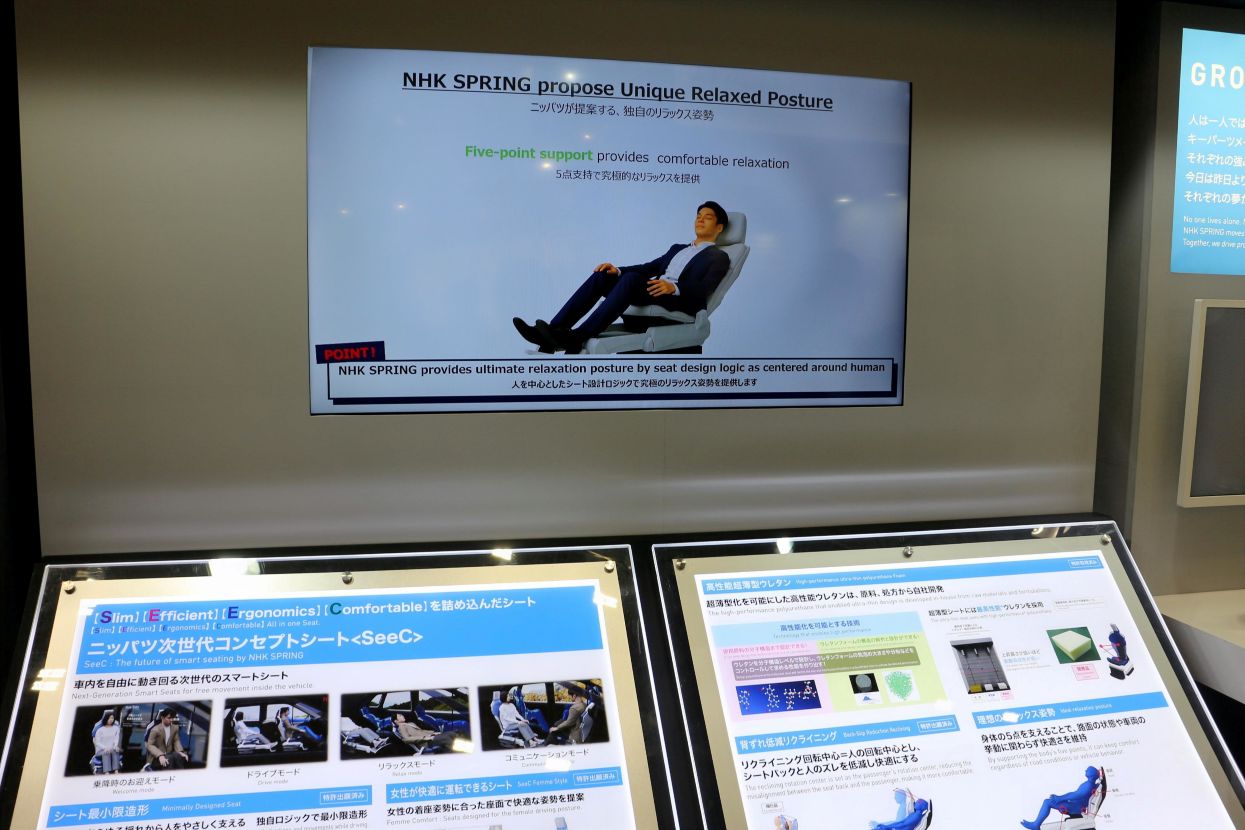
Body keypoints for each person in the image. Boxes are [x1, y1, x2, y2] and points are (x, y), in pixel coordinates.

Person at [513, 202, 731, 354]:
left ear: (719, 227)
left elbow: (705, 288)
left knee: (632, 279)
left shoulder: (719, 257)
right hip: (654, 290)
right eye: (698, 216)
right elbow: (648, 267)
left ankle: (578, 336)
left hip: (678, 299)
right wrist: (617, 270)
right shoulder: (678, 248)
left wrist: (674, 288)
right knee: (602, 275)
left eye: (708, 217)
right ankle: (552, 331)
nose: (700, 220)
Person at [1020, 766, 1100, 829]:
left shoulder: (1088, 786)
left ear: (1091, 775)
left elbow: (1075, 795)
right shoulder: (1090, 784)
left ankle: (1036, 825)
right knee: (1048, 801)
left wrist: (1059, 798)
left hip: (1076, 808)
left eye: (1088, 770)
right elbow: (1076, 795)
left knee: (1047, 802)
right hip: (1075, 805)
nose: (1085, 770)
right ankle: (1036, 824)